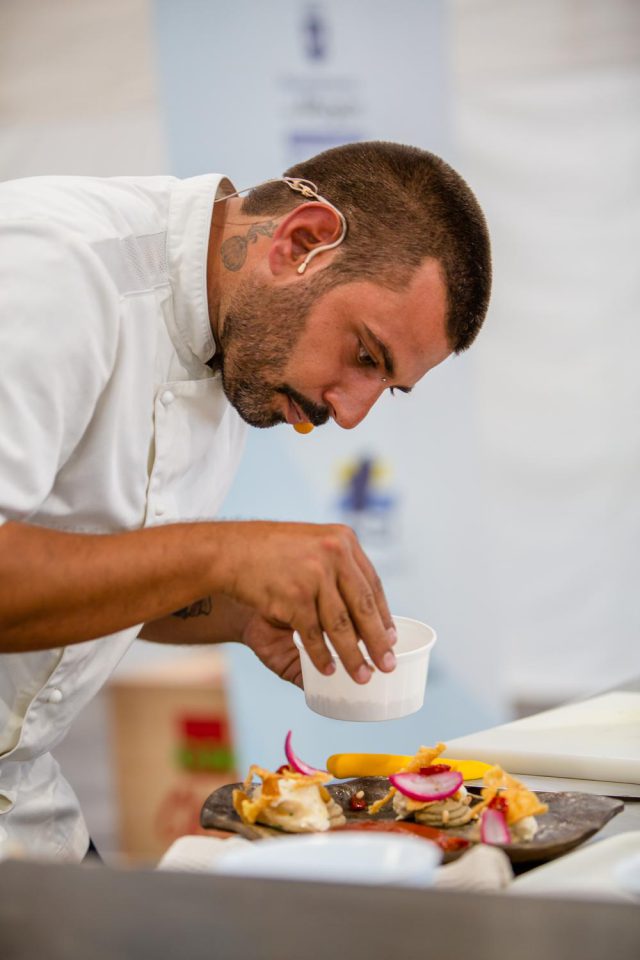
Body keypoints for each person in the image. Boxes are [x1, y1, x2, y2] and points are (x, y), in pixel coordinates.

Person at [0, 140, 491, 861]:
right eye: (364, 355)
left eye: (386, 388)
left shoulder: (237, 345)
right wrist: (224, 552)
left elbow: (73, 560)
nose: (350, 414)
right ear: (300, 243)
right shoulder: (51, 269)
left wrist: (235, 608)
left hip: (29, 817)